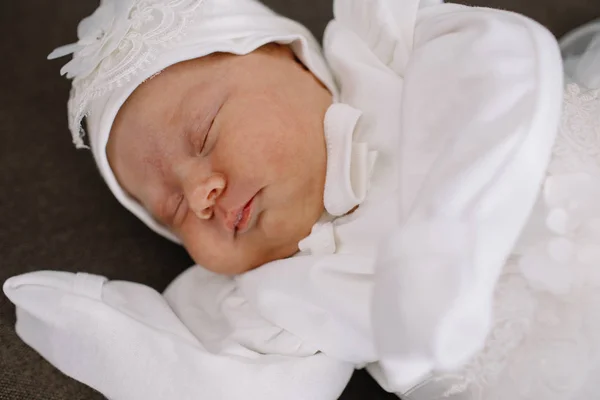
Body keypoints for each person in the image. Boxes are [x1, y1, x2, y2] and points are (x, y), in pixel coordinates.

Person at [5, 0, 600, 399]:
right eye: (173, 212)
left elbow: (496, 62)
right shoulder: (272, 294)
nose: (199, 193)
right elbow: (226, 385)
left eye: (206, 131)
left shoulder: (385, 57)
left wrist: (444, 236)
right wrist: (109, 332)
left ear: (294, 60)